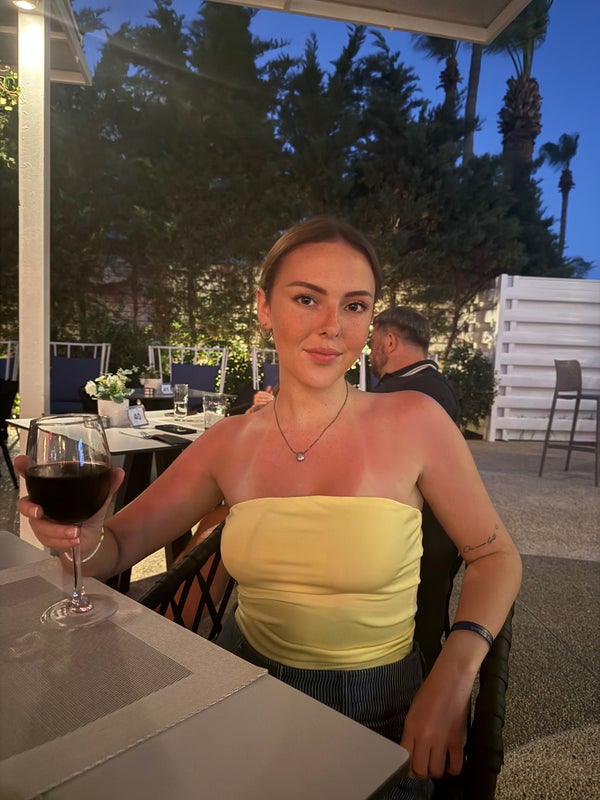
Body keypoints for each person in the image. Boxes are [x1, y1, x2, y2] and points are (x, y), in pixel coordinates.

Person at [17, 216, 521, 799]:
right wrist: (78, 537)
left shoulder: (414, 422)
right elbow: (118, 546)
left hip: (382, 709)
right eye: (307, 298)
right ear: (264, 307)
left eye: (355, 306)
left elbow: (495, 556)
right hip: (241, 685)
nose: (332, 326)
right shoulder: (228, 442)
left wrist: (454, 674)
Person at [370, 307, 463, 673]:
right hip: (436, 534)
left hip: (419, 540)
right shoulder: (431, 384)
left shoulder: (408, 393)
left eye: (374, 342)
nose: (371, 352)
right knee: (425, 627)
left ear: (390, 341)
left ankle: (419, 695)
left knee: (417, 640)